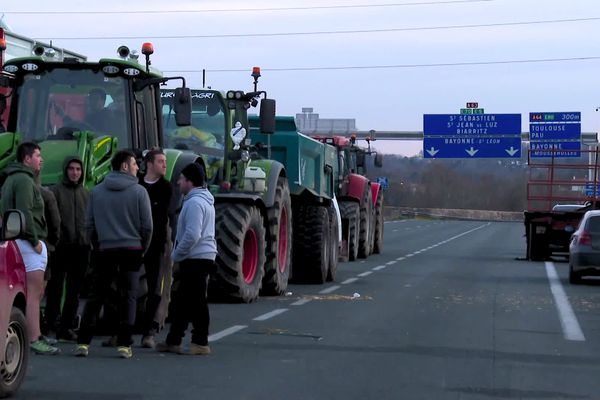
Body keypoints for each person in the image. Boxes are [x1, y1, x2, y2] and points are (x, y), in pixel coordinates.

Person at [75, 150, 152, 359]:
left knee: (97, 295)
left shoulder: (97, 191)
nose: (138, 167)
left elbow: (88, 225)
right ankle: (125, 344)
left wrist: (96, 244)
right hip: (132, 250)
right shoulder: (139, 192)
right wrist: (141, 247)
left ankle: (83, 342)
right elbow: (147, 226)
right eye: (135, 164)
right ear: (125, 167)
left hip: (105, 249)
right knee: (129, 296)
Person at [0, 142, 60, 355]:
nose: (40, 159)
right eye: (37, 155)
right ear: (26, 159)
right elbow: (25, 211)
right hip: (27, 243)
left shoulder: (11, 178)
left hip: (17, 241)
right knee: (35, 294)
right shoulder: (24, 181)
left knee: (29, 293)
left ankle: (35, 333)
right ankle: (34, 338)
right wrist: (35, 241)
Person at [156, 162, 216, 356]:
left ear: (190, 182)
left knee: (197, 301)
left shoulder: (194, 203)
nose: (179, 182)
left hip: (196, 257)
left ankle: (200, 341)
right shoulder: (203, 201)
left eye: (182, 179)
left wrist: (175, 255)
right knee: (183, 300)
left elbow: (192, 234)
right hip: (202, 255)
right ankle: (174, 340)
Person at [44, 156, 90, 342]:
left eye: (78, 169)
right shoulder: (54, 191)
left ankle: (66, 327)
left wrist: (89, 242)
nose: (75, 172)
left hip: (81, 247)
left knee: (74, 290)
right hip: (60, 247)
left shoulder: (87, 194)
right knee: (54, 289)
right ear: (65, 170)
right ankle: (49, 326)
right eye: (71, 169)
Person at [138, 148, 173, 348]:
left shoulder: (166, 188)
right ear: (149, 163)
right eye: (160, 161)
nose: (164, 165)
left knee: (155, 289)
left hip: (156, 243)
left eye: (165, 161)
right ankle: (120, 331)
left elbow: (161, 215)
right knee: (128, 286)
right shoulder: (138, 185)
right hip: (136, 242)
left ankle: (148, 332)